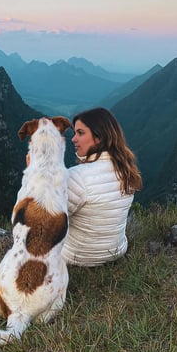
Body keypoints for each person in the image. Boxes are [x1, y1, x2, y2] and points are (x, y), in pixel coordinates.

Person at [61, 107, 142, 267]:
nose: (73, 139)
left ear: (99, 137)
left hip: (77, 257)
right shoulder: (126, 171)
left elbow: (51, 219)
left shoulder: (77, 176)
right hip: (116, 252)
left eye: (80, 133)